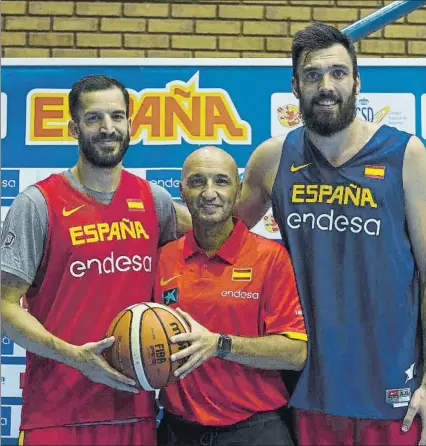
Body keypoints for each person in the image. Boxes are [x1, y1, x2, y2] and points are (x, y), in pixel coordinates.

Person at [235, 22, 426, 446]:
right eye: (313, 75)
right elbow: (222, 232)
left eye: (338, 73)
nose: (326, 86)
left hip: (393, 390)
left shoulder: (406, 154)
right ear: (295, 85)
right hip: (308, 388)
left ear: (357, 81)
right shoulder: (273, 158)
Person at [1, 74, 179, 445]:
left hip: (136, 411)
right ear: (73, 127)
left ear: (131, 124)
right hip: (56, 415)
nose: (108, 128)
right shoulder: (38, 203)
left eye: (117, 116)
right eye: (94, 118)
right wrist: (73, 356)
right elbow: (4, 306)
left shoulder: (155, 202)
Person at [152, 146, 307, 446]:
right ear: (181, 191)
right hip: (178, 431)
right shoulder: (162, 259)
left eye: (221, 181)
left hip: (256, 431)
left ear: (238, 192)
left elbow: (296, 353)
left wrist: (219, 345)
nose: (209, 192)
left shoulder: (271, 258)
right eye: (197, 182)